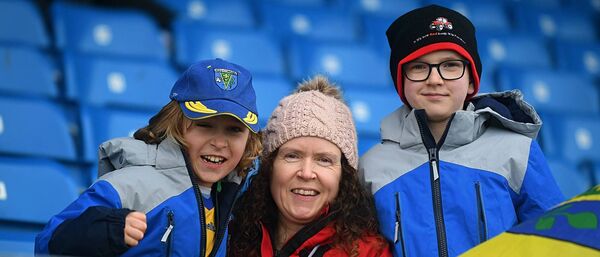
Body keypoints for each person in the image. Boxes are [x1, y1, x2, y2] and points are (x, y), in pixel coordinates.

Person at [359, 5, 564, 257]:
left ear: (471, 80)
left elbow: (555, 242)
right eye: (419, 67)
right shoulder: (371, 167)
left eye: (451, 65)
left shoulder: (518, 151)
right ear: (402, 80)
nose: (434, 79)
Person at [35, 58, 262, 257]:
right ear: (176, 126)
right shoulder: (129, 185)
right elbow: (47, 243)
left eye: (234, 130)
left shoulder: (235, 196)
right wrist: (106, 230)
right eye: (204, 125)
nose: (220, 143)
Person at [228, 76, 392, 257]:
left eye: (324, 160)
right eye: (292, 156)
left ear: (343, 175)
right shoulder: (229, 238)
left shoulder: (369, 253)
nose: (306, 173)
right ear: (270, 167)